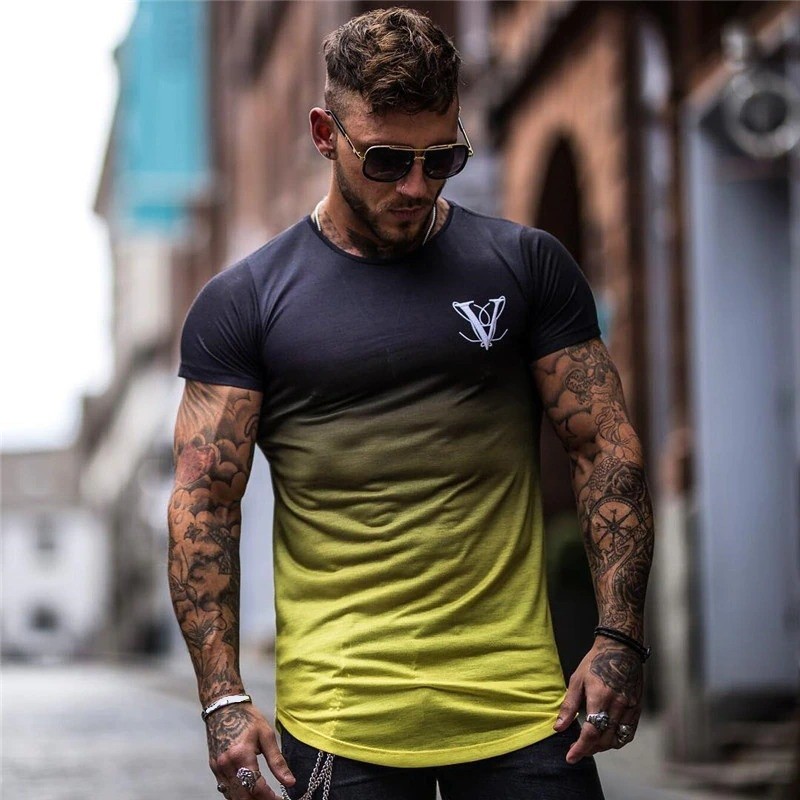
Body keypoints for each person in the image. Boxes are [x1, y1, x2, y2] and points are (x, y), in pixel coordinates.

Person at [167, 7, 654, 800]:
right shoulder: (245, 303)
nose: (416, 186)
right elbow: (205, 505)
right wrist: (223, 700)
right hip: (340, 726)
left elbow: (604, 448)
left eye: (442, 158)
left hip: (525, 715)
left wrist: (619, 639)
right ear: (325, 134)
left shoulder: (525, 265)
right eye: (387, 160)